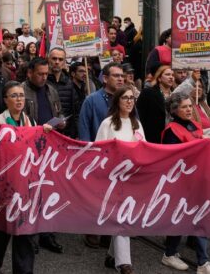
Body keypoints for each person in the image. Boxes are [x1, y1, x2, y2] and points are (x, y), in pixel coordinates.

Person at [0, 81, 51, 274]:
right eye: (14, 96)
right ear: (6, 100)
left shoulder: (30, 122)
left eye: (21, 95)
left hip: (26, 185)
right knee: (2, 230)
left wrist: (44, 133)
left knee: (24, 231)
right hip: (4, 186)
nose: (19, 99)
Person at [161, 92, 210, 274]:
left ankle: (184, 257)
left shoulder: (194, 125)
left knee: (194, 218)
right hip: (182, 182)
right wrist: (200, 144)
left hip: (198, 179)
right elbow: (174, 158)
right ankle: (194, 260)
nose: (189, 109)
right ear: (174, 110)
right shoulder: (171, 130)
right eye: (184, 107)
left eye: (190, 106)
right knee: (185, 219)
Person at [95, 88, 142, 274]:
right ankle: (124, 263)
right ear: (117, 101)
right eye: (125, 98)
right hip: (112, 179)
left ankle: (112, 256)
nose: (129, 101)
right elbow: (99, 151)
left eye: (132, 98)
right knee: (121, 218)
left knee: (124, 218)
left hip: (130, 178)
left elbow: (143, 149)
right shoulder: (107, 124)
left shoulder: (136, 124)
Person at [21, 57, 63, 254]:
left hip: (49, 148)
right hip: (29, 150)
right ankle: (30, 236)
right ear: (30, 73)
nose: (44, 77)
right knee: (30, 193)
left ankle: (47, 234)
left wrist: (61, 122)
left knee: (48, 191)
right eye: (40, 74)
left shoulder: (51, 90)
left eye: (46, 74)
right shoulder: (21, 91)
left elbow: (58, 112)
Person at [78, 63, 125, 142]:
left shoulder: (128, 99)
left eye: (122, 76)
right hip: (99, 147)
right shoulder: (91, 100)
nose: (120, 79)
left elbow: (135, 125)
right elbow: (84, 131)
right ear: (105, 79)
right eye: (116, 76)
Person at [137, 65, 174, 143]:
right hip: (152, 139)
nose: (171, 77)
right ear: (159, 78)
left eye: (172, 75)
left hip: (172, 139)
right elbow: (139, 116)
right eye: (167, 74)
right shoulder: (148, 93)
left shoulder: (176, 95)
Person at [47, 47, 78, 138]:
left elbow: (75, 111)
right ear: (48, 60)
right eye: (54, 58)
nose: (57, 62)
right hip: (46, 132)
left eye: (60, 59)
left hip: (65, 134)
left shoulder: (70, 84)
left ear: (64, 62)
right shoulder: (42, 82)